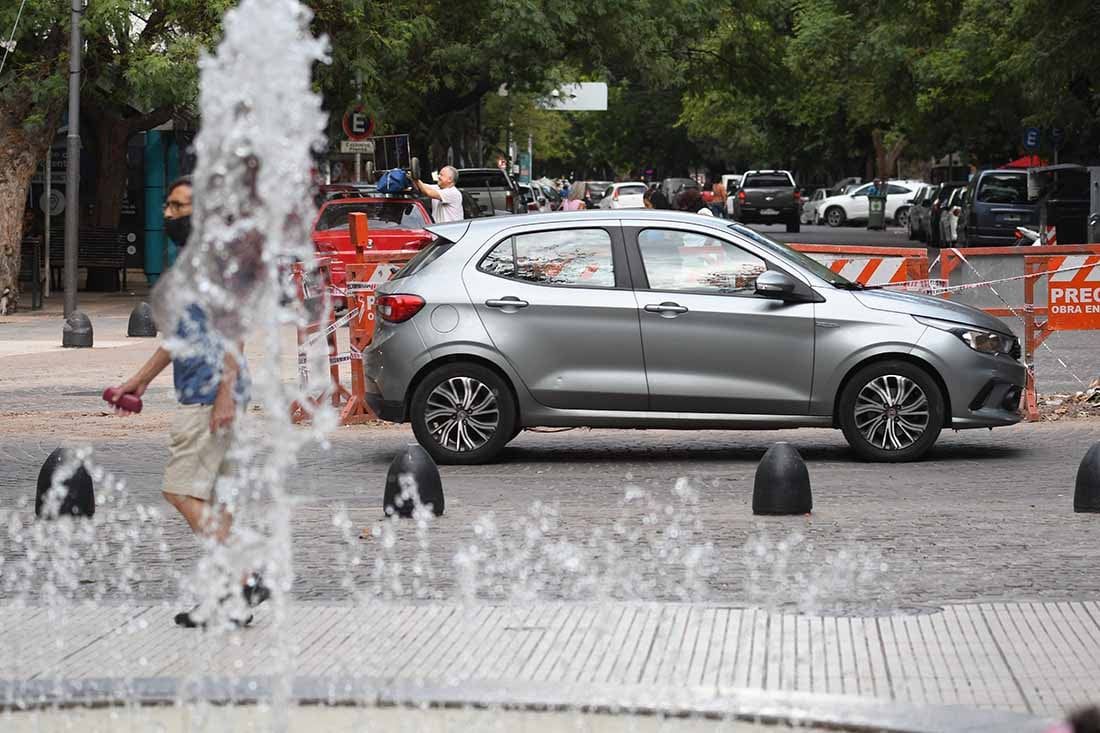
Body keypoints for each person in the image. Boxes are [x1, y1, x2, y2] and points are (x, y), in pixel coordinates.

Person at [106, 176, 269, 628]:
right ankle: (228, 600)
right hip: (211, 394)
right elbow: (179, 338)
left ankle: (247, 575)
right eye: (169, 206)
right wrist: (138, 381)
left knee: (179, 490)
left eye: (178, 207)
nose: (168, 214)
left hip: (210, 398)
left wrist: (223, 396)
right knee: (217, 504)